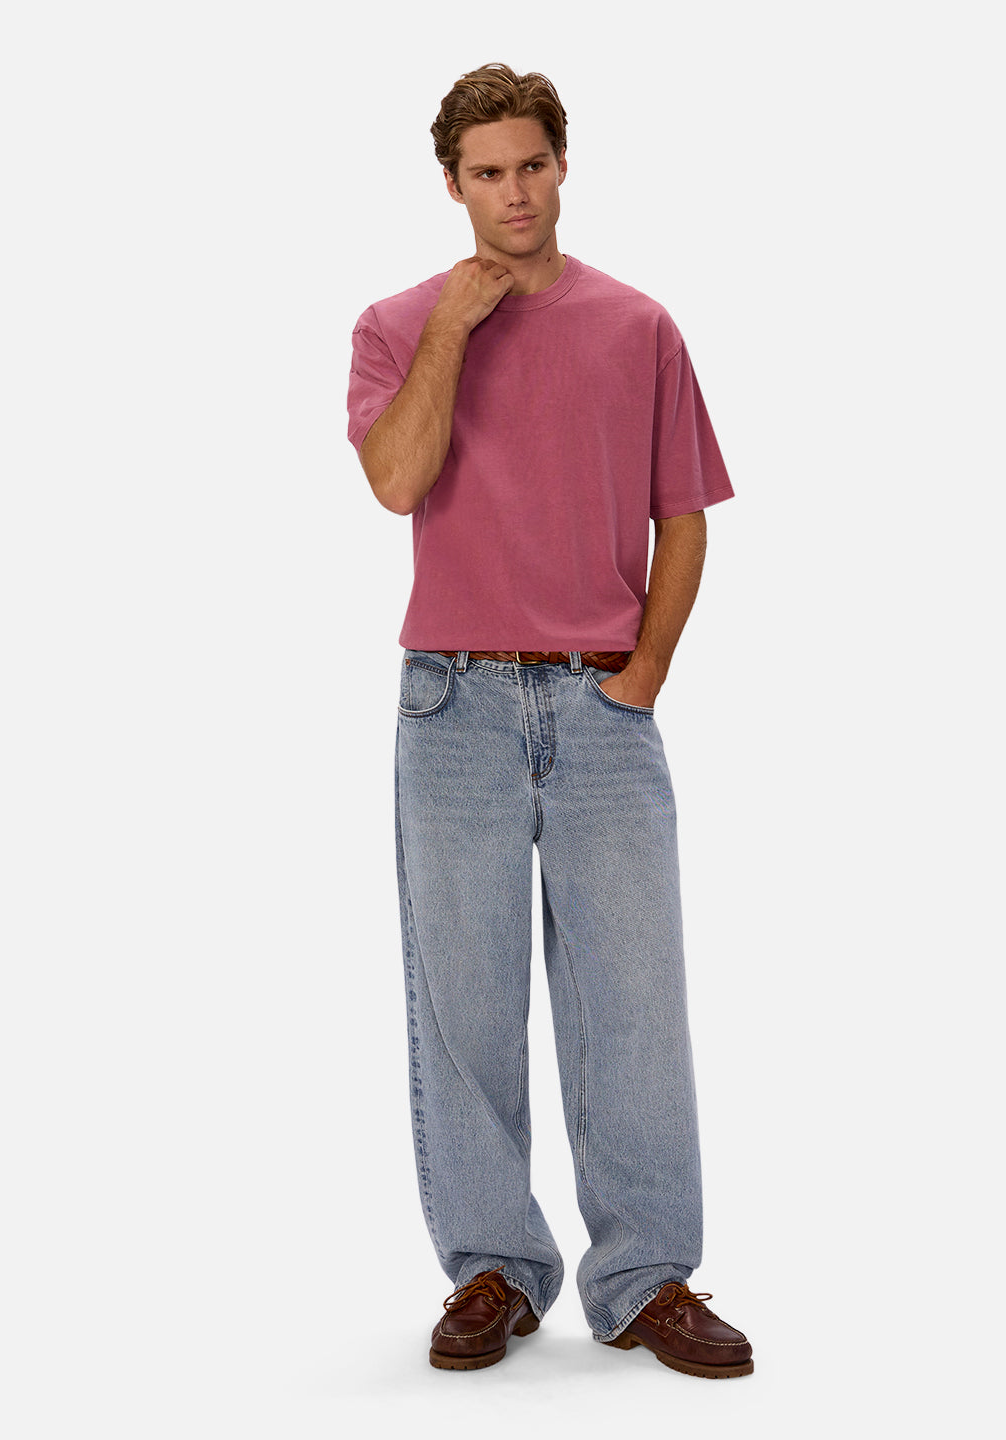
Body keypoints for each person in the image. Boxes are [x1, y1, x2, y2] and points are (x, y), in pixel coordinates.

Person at [347, 62, 753, 1381]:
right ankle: (491, 1269)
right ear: (452, 185)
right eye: (487, 174)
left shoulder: (639, 326)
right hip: (452, 704)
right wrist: (455, 329)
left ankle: (646, 1277)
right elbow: (397, 479)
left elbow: (684, 516)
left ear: (563, 166)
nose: (513, 193)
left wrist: (644, 675)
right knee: (463, 1003)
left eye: (531, 165)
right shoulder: (396, 325)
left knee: (633, 1000)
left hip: (600, 702)